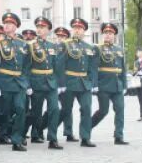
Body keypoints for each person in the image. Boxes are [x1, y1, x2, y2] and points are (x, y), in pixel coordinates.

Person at [0, 12, 31, 151]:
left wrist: (26, 82)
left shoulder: (23, 45)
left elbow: (27, 65)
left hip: (19, 82)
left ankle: (16, 140)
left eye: (10, 23)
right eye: (5, 23)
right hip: (4, 82)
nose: (7, 25)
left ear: (16, 27)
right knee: (3, 111)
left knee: (21, 110)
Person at [57, 18, 98, 147]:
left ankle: (85, 137)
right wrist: (61, 84)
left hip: (84, 83)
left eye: (80, 28)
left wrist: (92, 83)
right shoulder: (66, 44)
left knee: (86, 108)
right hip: (69, 82)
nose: (77, 30)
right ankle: (64, 132)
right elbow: (60, 65)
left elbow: (92, 68)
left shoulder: (89, 47)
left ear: (84, 31)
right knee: (66, 110)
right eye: (75, 28)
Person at [26, 16, 63, 149]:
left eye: (43, 27)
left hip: (51, 83)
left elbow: (56, 67)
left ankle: (53, 139)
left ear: (48, 30)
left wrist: (59, 84)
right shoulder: (30, 45)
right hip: (36, 82)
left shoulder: (53, 46)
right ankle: (35, 133)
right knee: (36, 111)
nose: (40, 30)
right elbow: (27, 67)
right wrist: (28, 85)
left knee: (54, 109)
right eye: (38, 27)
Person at [91, 22, 128, 145]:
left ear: (114, 35)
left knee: (120, 109)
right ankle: (86, 127)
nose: (108, 35)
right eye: (106, 33)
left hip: (117, 85)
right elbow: (94, 68)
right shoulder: (97, 48)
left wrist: (125, 85)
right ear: (102, 35)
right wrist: (95, 85)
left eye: (110, 33)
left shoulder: (119, 49)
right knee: (103, 111)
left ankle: (119, 136)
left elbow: (123, 68)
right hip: (103, 85)